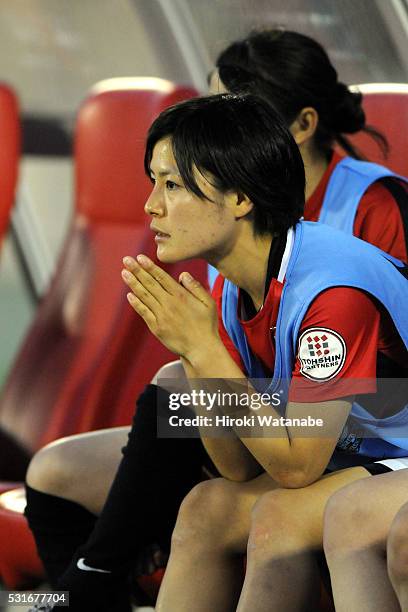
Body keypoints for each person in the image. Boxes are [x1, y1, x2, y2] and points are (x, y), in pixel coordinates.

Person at [24, 28, 408, 611]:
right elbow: (233, 461)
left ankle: (91, 585)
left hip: (389, 446)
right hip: (349, 440)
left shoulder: (332, 287)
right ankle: (93, 582)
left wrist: (204, 352)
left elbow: (296, 468)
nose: (151, 206)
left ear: (239, 199)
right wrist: (195, 353)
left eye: (172, 185)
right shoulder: (231, 279)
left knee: (277, 518)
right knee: (205, 506)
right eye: (153, 181)